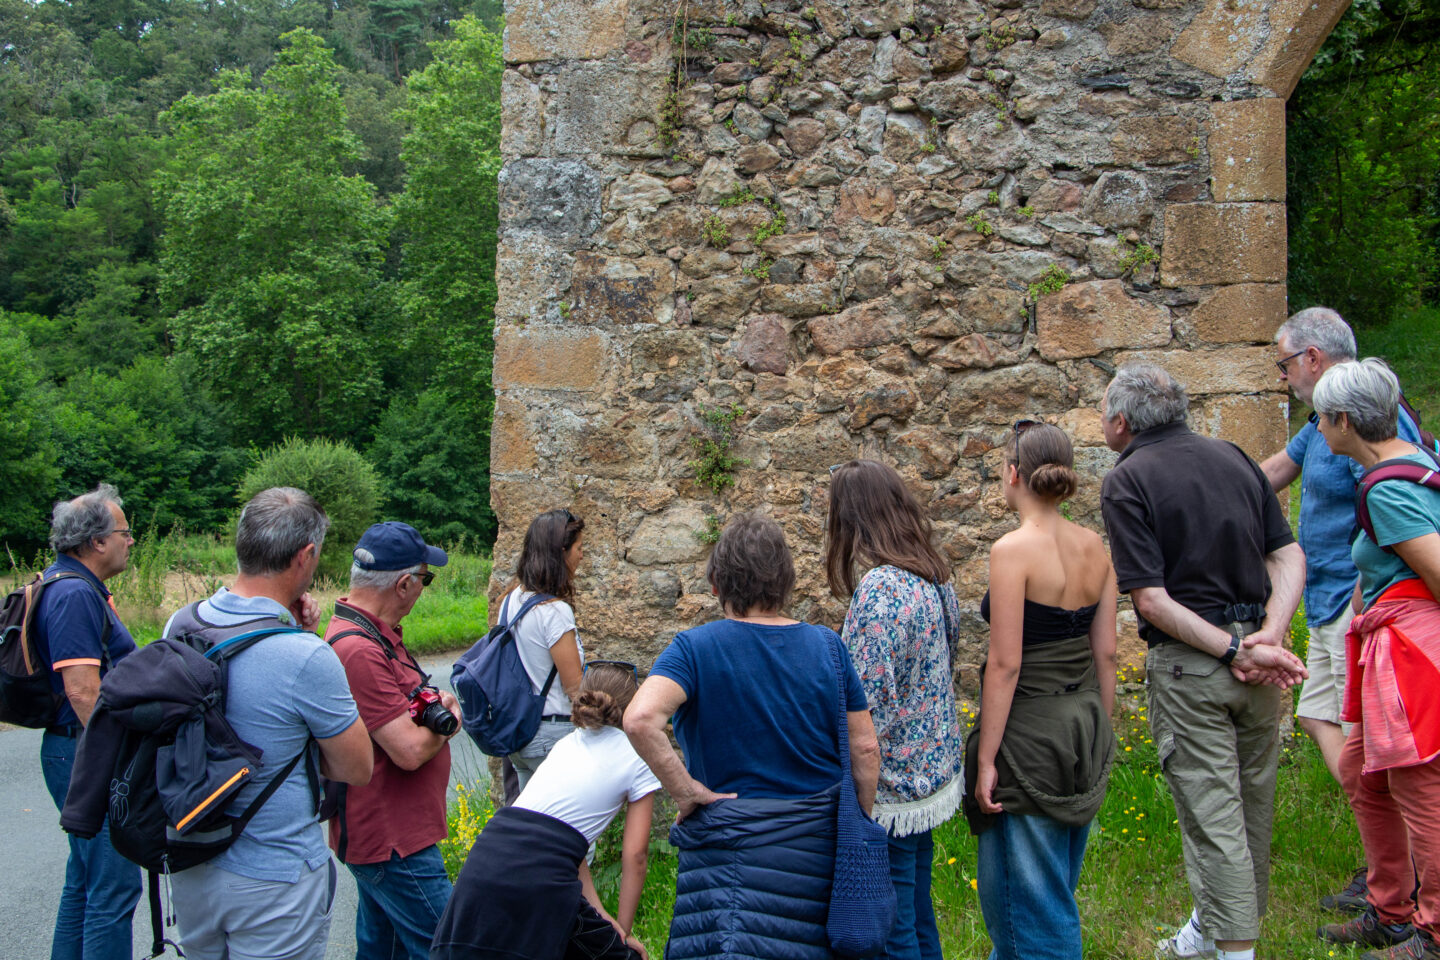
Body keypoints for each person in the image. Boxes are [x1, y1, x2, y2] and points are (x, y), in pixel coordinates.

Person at [1098, 364, 1308, 960]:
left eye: (1103, 410)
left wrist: (1237, 649)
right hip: (1258, 660)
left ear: (1121, 421)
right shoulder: (1233, 457)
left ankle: (1235, 952)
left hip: (1197, 666)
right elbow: (1288, 555)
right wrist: (1269, 635)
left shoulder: (1128, 479)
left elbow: (1152, 600)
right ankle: (1207, 930)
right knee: (1252, 808)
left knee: (1214, 816)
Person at [625, 512, 882, 960]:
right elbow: (865, 747)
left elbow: (640, 719)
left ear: (715, 584)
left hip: (726, 856)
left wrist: (686, 793)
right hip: (816, 854)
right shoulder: (828, 647)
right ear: (785, 579)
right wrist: (853, 824)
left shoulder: (694, 648)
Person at [1258, 308, 1423, 914]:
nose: (1281, 377)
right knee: (1321, 719)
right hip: (1328, 597)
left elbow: (1392, 507)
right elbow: (1277, 469)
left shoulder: (1366, 417)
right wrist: (1216, 489)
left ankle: (1399, 874)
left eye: (1283, 362)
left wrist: (1367, 598)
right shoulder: (1322, 420)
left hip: (1361, 606)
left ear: (1312, 357)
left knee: (1367, 748)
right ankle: (1391, 861)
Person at [166, 487, 374, 960]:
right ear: (305, 556)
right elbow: (356, 768)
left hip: (192, 861)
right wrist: (304, 642)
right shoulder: (305, 656)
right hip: (275, 875)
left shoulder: (180, 624)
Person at [964, 422, 1117, 960]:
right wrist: (1104, 730)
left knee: (1033, 909)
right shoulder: (1095, 546)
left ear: (1014, 474)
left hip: (1029, 736)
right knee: (1053, 889)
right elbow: (1107, 654)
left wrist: (987, 758)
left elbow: (1005, 664)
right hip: (1085, 726)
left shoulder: (1012, 551)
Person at [1310, 358, 1440, 960]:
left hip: (1415, 657)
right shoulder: (1410, 467)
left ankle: (1433, 932)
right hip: (1392, 647)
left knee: (1423, 793)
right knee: (1365, 774)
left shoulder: (1389, 488)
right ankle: (1390, 908)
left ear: (1341, 421)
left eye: (1320, 418)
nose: (1318, 428)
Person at [825, 460, 963, 960]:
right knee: (917, 909)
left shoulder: (883, 590)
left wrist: (856, 792)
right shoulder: (932, 572)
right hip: (931, 773)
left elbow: (865, 703)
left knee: (894, 925)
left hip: (893, 784)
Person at [432, 662, 660, 960]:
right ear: (634, 706)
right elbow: (636, 855)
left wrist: (605, 921)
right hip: (538, 874)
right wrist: (624, 935)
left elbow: (565, 843)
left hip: (487, 856)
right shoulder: (639, 756)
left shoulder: (567, 744)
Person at [324, 521, 459, 960]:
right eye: (425, 578)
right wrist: (448, 721)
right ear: (404, 584)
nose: (424, 588)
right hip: (395, 841)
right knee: (449, 945)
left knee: (384, 951)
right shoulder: (359, 651)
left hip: (391, 835)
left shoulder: (371, 635)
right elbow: (409, 750)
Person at [33, 483, 142, 960]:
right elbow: (82, 689)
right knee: (113, 888)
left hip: (73, 747)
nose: (131, 540)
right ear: (96, 542)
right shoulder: (75, 593)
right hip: (85, 750)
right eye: (124, 531)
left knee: (84, 882)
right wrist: (116, 755)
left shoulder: (70, 584)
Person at [500, 509, 586, 796]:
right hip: (552, 735)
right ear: (560, 553)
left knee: (532, 828)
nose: (581, 556)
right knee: (570, 832)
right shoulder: (554, 612)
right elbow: (574, 687)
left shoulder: (512, 600)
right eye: (578, 548)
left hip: (520, 733)